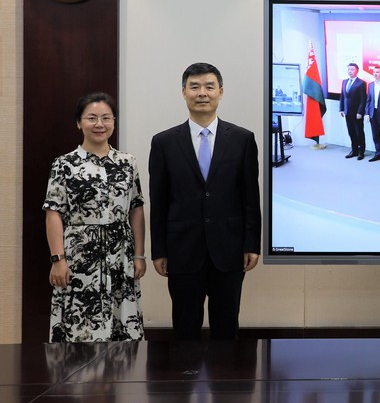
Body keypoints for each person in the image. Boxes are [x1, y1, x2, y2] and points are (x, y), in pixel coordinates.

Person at [148, 62, 262, 340]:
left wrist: (251, 244)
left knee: (226, 327)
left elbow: (250, 197)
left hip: (229, 249)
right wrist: (159, 250)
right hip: (182, 250)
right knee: (185, 328)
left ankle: (226, 371)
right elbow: (158, 201)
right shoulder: (163, 142)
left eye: (209, 87)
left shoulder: (242, 139)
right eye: (195, 87)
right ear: (183, 92)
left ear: (220, 92)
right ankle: (185, 369)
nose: (202, 93)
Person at [44, 92, 146, 342]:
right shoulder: (64, 164)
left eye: (106, 118)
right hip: (78, 256)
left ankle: (120, 370)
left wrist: (139, 255)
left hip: (120, 256)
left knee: (122, 328)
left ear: (113, 122)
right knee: (79, 327)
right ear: (79, 123)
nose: (99, 124)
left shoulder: (127, 163)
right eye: (91, 118)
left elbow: (136, 208)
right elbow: (54, 212)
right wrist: (58, 259)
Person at [339, 62, 367, 159]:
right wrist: (341, 108)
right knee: (351, 132)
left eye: (352, 69)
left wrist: (360, 112)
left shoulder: (361, 83)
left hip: (357, 113)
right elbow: (342, 96)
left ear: (357, 71)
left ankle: (361, 151)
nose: (350, 71)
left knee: (359, 132)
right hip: (347, 112)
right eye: (348, 69)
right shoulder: (345, 81)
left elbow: (363, 99)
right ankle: (354, 150)